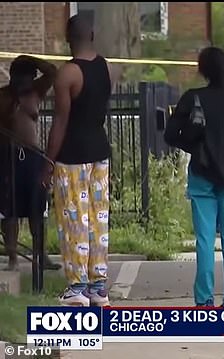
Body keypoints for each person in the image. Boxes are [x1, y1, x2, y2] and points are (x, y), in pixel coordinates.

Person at [164, 46, 224, 307]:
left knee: (205, 239)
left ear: (202, 70)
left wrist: (195, 146)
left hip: (202, 173)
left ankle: (204, 299)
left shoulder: (192, 98)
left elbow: (171, 135)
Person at [42, 14, 119, 306]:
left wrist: (48, 162)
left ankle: (77, 287)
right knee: (98, 219)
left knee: (74, 217)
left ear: (67, 38)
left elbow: (60, 122)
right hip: (100, 151)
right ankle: (99, 286)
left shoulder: (68, 74)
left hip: (73, 154)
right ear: (93, 35)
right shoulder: (108, 68)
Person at [0, 55, 61, 272]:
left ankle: (40, 255)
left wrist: (30, 60)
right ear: (14, 77)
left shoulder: (36, 91)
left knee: (37, 208)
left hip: (33, 157)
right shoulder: (4, 96)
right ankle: (13, 258)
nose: (24, 83)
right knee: (10, 211)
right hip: (9, 156)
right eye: (21, 78)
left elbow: (53, 72)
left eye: (29, 78)